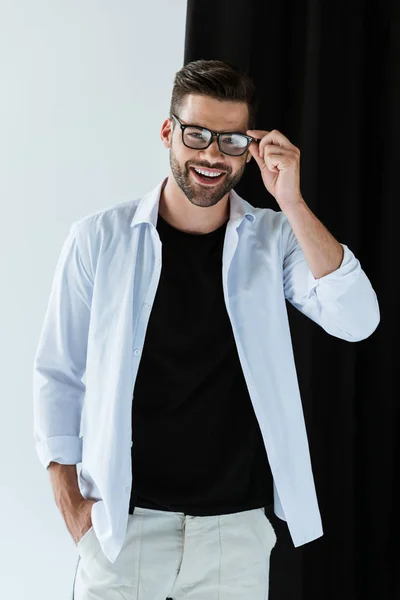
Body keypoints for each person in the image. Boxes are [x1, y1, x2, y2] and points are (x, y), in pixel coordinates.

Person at [33, 59, 380, 600]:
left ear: (251, 147)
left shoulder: (274, 239)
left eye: (232, 140)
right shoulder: (99, 239)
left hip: (233, 534)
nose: (212, 155)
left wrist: (290, 200)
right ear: (169, 131)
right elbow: (58, 372)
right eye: (197, 135)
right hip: (123, 526)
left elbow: (357, 320)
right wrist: (71, 506)